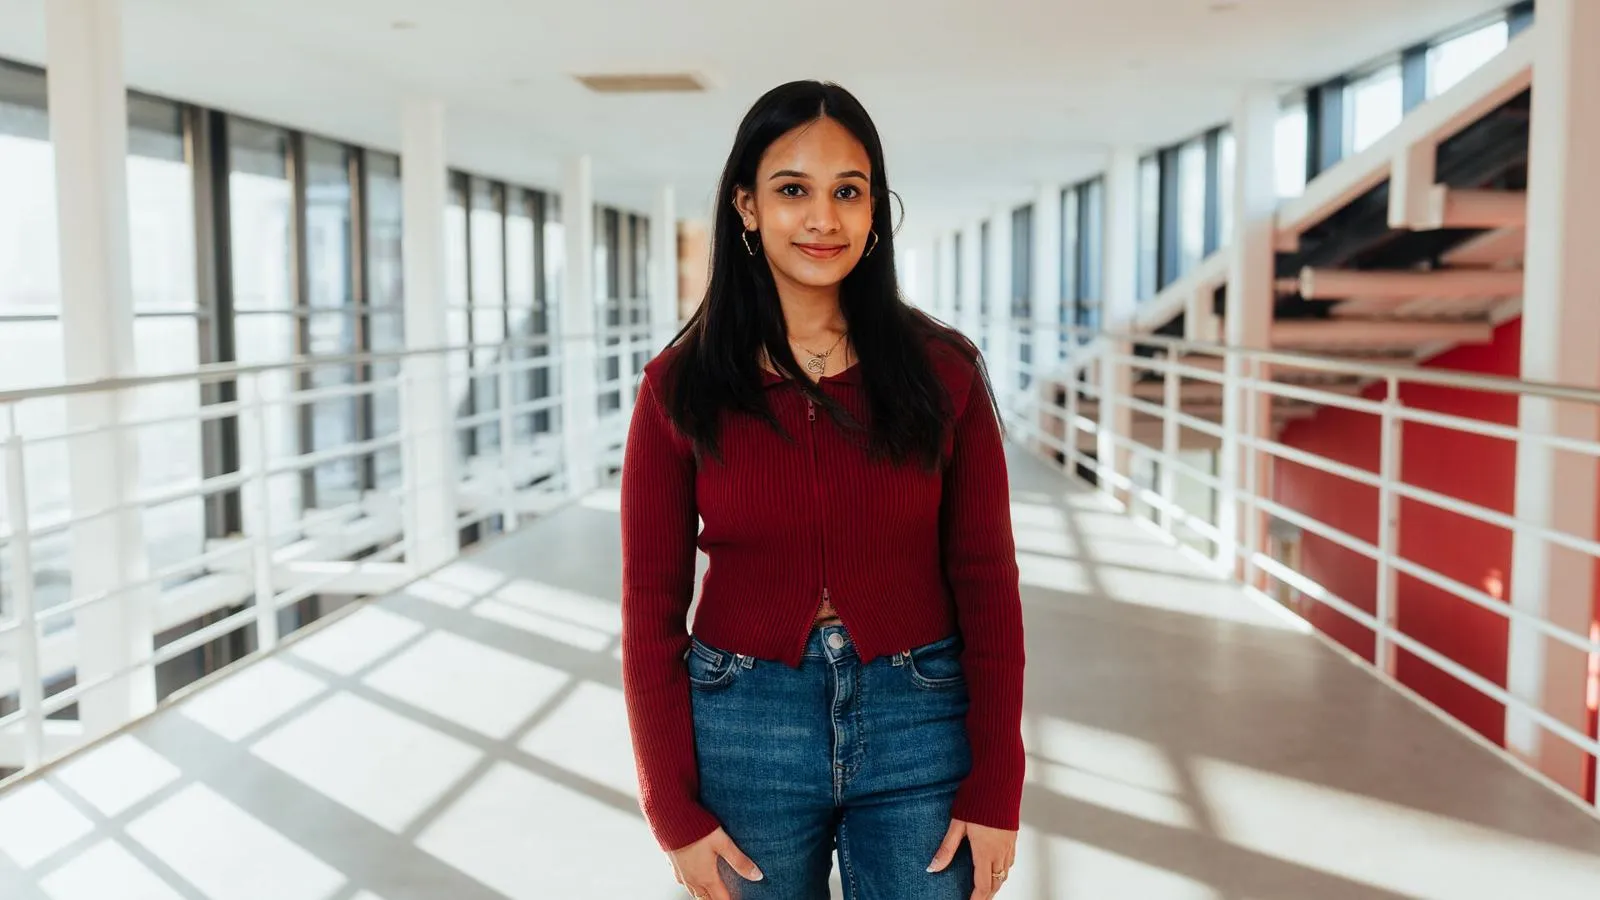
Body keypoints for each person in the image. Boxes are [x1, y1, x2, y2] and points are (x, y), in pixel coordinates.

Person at [620, 80, 1025, 900]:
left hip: (922, 722)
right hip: (743, 727)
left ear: (876, 209)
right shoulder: (680, 386)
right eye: (792, 190)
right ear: (745, 206)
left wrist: (997, 786)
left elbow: (987, 583)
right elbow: (647, 605)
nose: (823, 219)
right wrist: (671, 808)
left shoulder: (944, 372)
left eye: (848, 191)